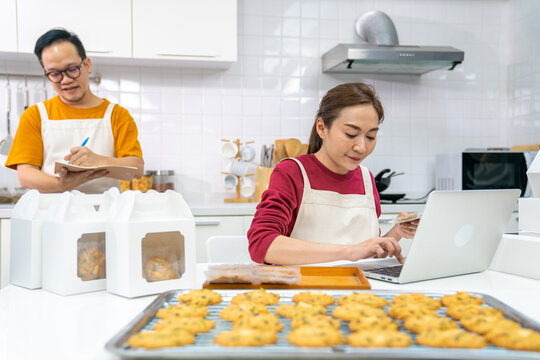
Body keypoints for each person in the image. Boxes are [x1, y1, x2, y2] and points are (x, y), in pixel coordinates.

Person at [247, 83, 419, 265]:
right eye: (351, 134)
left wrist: (396, 233)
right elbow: (261, 245)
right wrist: (348, 251)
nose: (362, 147)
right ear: (321, 128)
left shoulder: (366, 179)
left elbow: (365, 255)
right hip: (306, 288)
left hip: (360, 288)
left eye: (370, 137)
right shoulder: (293, 172)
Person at [5, 28, 144, 193]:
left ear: (87, 65)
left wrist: (98, 160)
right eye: (54, 74)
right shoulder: (36, 115)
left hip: (104, 214)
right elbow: (26, 175)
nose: (65, 80)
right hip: (52, 214)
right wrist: (64, 184)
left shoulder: (116, 115)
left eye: (71, 69)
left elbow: (137, 168)